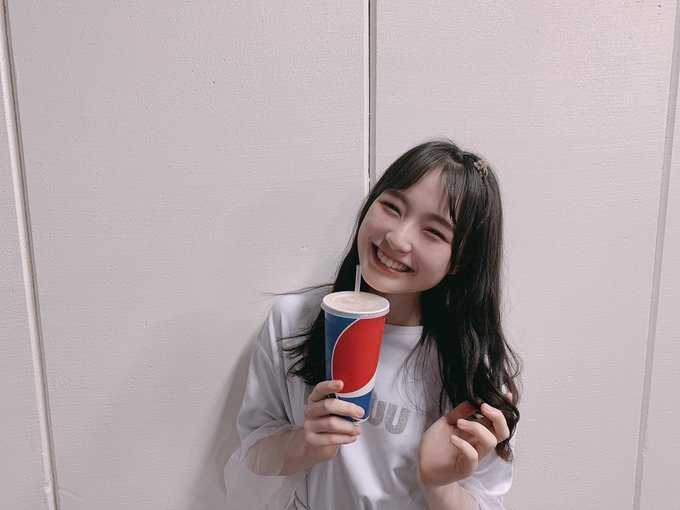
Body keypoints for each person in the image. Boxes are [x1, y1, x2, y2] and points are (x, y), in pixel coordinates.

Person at [224, 139, 522, 509]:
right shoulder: (293, 321)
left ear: (460, 259)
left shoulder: (473, 365)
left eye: (433, 232)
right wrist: (304, 446)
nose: (397, 238)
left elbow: (487, 499)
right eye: (392, 207)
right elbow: (251, 451)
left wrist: (438, 482)